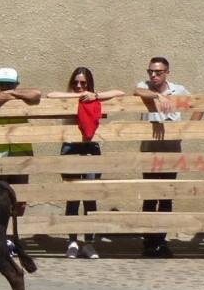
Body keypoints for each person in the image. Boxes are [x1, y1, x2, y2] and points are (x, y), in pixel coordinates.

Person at [47, 67, 126, 259]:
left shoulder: (95, 97)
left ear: (89, 83)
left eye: (83, 83)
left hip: (91, 148)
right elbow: (50, 94)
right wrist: (76, 97)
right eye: (75, 83)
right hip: (70, 148)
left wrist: (94, 95)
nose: (79, 86)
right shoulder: (68, 99)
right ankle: (72, 241)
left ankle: (89, 243)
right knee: (73, 196)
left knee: (90, 195)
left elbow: (120, 93)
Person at [136, 56, 189, 258]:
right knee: (150, 196)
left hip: (171, 151)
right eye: (150, 71)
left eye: (158, 72)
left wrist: (188, 129)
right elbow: (137, 91)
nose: (153, 75)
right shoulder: (145, 86)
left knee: (167, 196)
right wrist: (159, 97)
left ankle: (162, 240)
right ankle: (149, 241)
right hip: (149, 151)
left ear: (167, 72)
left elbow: (198, 105)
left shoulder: (179, 90)